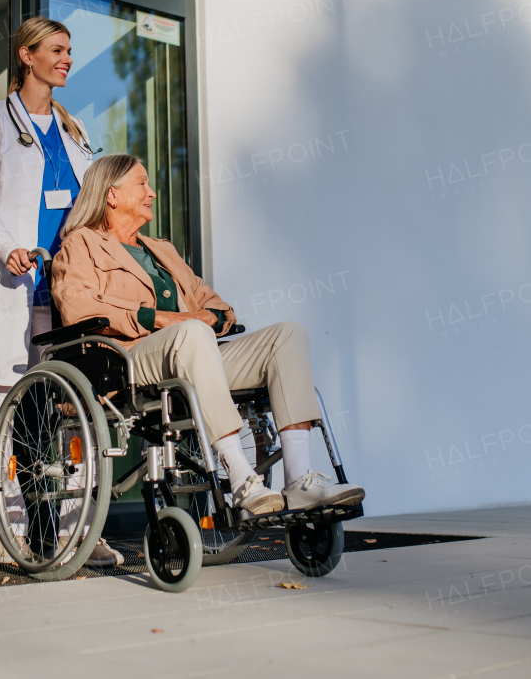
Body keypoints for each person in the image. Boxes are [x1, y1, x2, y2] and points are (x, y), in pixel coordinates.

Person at [52, 154, 365, 514]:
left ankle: (298, 479)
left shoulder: (162, 250)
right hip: (128, 359)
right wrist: (159, 319)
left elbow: (217, 307)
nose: (152, 193)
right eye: (142, 184)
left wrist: (209, 317)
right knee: (191, 333)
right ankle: (242, 479)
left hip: (193, 352)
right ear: (112, 195)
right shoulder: (81, 244)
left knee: (288, 335)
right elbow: (77, 306)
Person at [0, 17, 124, 567]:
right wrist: (7, 248)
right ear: (27, 56)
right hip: (7, 283)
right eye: (57, 49)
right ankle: (8, 531)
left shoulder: (75, 132)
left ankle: (76, 534)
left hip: (59, 291)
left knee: (70, 413)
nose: (67, 58)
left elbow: (90, 206)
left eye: (70, 50)